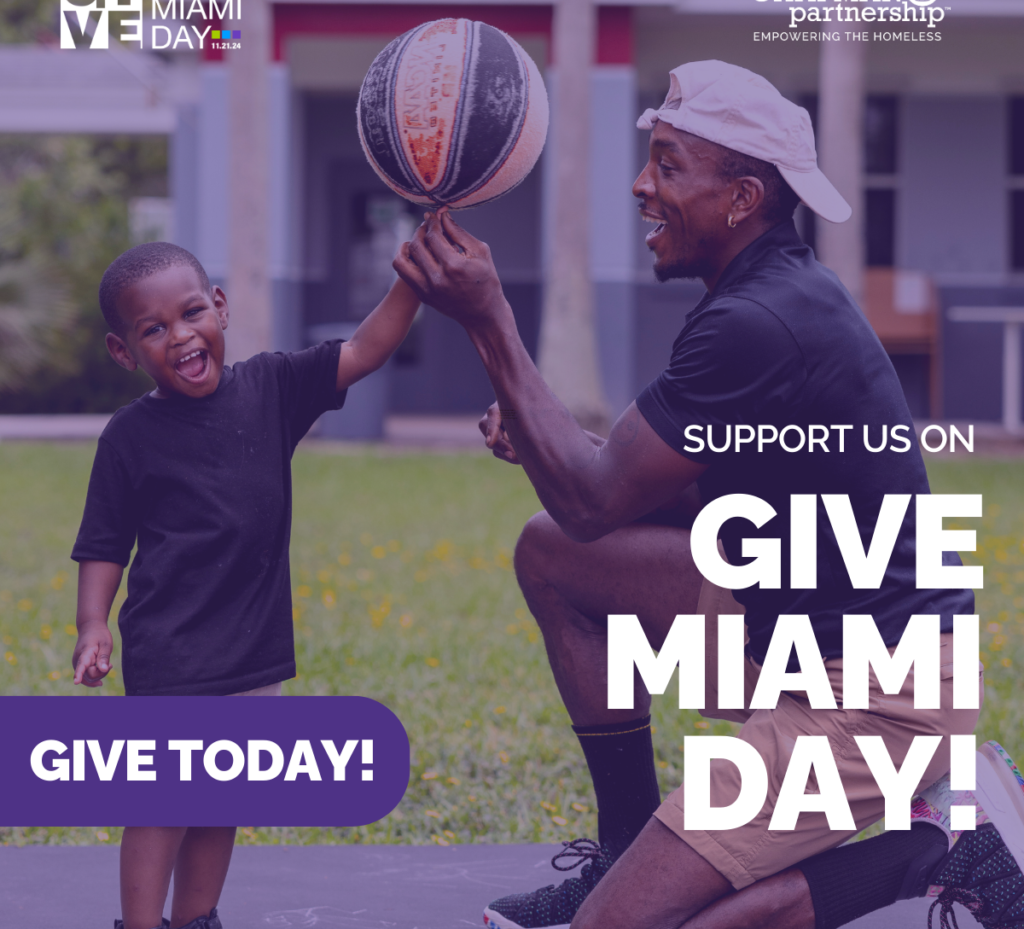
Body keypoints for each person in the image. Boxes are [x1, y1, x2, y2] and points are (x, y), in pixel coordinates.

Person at [392, 60, 1024, 929]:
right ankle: (621, 851)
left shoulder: (758, 322)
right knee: (555, 553)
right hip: (804, 644)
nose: (643, 186)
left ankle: (935, 851)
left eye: (670, 164)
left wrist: (488, 316)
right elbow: (624, 505)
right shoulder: (762, 298)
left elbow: (592, 496)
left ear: (743, 198)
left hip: (878, 702)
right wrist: (553, 445)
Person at [70, 240, 419, 929]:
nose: (181, 336)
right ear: (123, 350)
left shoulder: (274, 388)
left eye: (192, 312)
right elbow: (104, 543)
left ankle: (197, 919)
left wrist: (413, 281)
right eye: (154, 329)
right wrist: (92, 624)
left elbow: (365, 350)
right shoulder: (128, 437)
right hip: (170, 654)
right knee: (164, 804)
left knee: (222, 798)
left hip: (252, 651)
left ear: (220, 308)